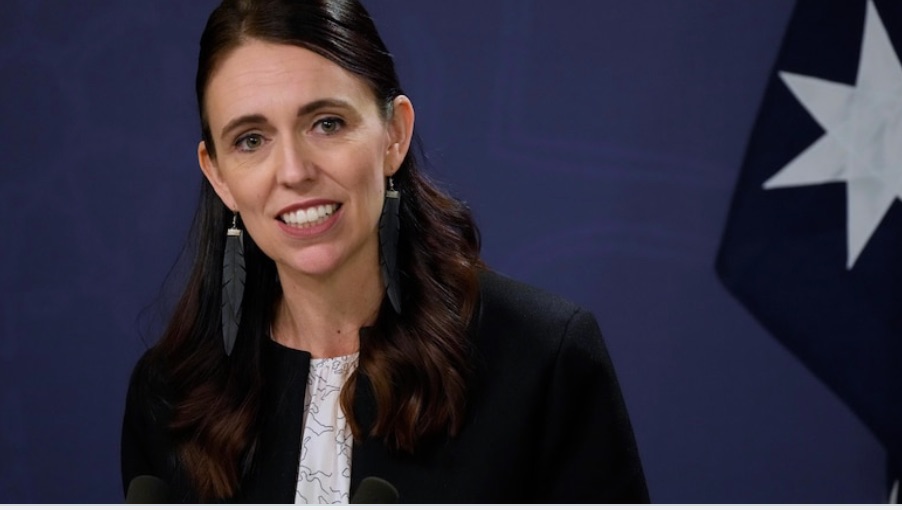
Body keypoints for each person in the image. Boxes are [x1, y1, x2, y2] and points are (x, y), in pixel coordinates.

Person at [120, 0, 648, 503]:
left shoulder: (542, 361)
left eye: (327, 124)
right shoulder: (169, 396)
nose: (294, 172)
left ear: (394, 135)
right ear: (218, 176)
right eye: (251, 140)